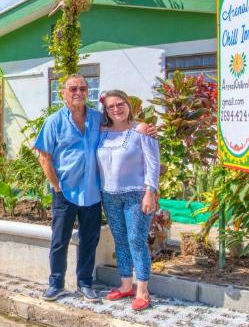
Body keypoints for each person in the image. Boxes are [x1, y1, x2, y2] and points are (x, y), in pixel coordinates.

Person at [33, 74, 154, 301]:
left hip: (92, 191)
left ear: (87, 92)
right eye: (73, 89)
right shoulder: (54, 122)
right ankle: (56, 283)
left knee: (90, 239)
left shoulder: (98, 119)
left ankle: (85, 283)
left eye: (82, 89)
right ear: (63, 93)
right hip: (64, 191)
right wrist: (56, 186)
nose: (78, 93)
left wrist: (145, 129)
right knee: (59, 240)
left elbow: (123, 127)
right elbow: (43, 156)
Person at [96, 89, 160, 311]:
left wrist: (150, 192)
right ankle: (125, 285)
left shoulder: (141, 130)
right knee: (120, 240)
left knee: (136, 239)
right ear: (106, 110)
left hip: (136, 194)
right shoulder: (102, 132)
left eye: (120, 104)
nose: (116, 109)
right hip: (109, 195)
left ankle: (142, 290)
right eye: (111, 106)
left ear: (128, 104)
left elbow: (153, 164)